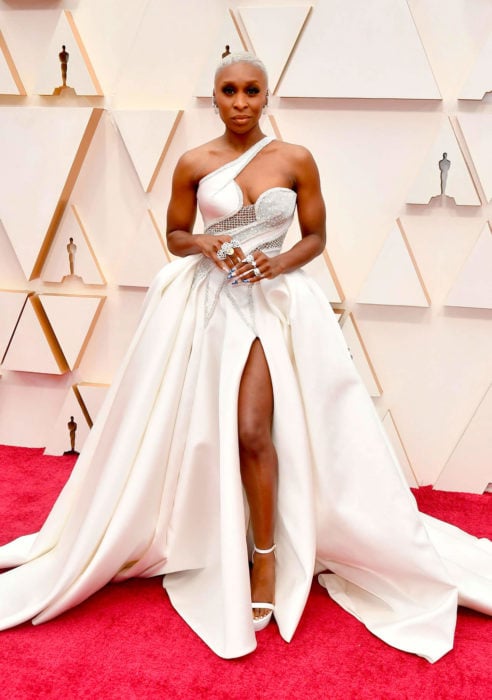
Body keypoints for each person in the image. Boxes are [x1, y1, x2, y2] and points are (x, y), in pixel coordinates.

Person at [0, 53, 491, 662]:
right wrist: (205, 243)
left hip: (275, 303)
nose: (239, 101)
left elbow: (315, 237)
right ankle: (203, 534)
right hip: (207, 307)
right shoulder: (194, 162)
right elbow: (175, 235)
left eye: (251, 91)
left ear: (266, 95)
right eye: (228, 91)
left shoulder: (295, 159)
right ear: (214, 96)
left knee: (254, 430)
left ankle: (265, 562)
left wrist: (275, 263)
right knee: (198, 429)